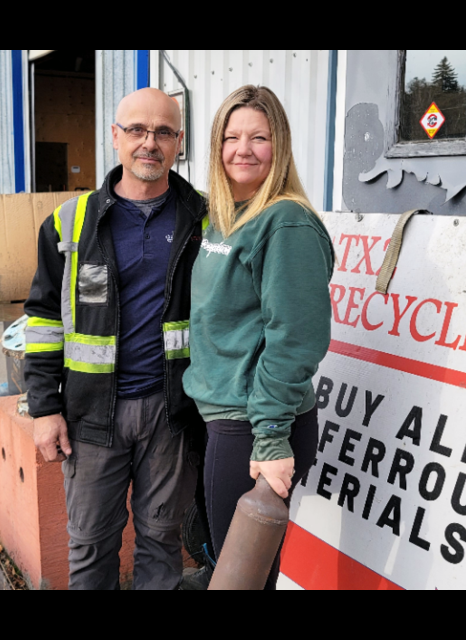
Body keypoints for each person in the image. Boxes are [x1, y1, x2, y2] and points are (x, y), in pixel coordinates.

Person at [24, 88, 206, 590]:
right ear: (115, 137)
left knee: (161, 539)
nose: (150, 142)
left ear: (179, 142)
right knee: (90, 543)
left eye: (163, 132)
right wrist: (43, 409)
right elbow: (42, 320)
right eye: (138, 130)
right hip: (90, 417)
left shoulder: (205, 221)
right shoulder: (69, 222)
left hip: (172, 414)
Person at [181, 85, 334, 590]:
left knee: (242, 579)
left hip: (253, 426)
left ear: (280, 147)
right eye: (231, 137)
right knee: (233, 570)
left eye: (259, 138)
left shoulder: (285, 222)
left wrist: (270, 438)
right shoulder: (224, 219)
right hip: (225, 417)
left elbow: (295, 340)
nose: (242, 149)